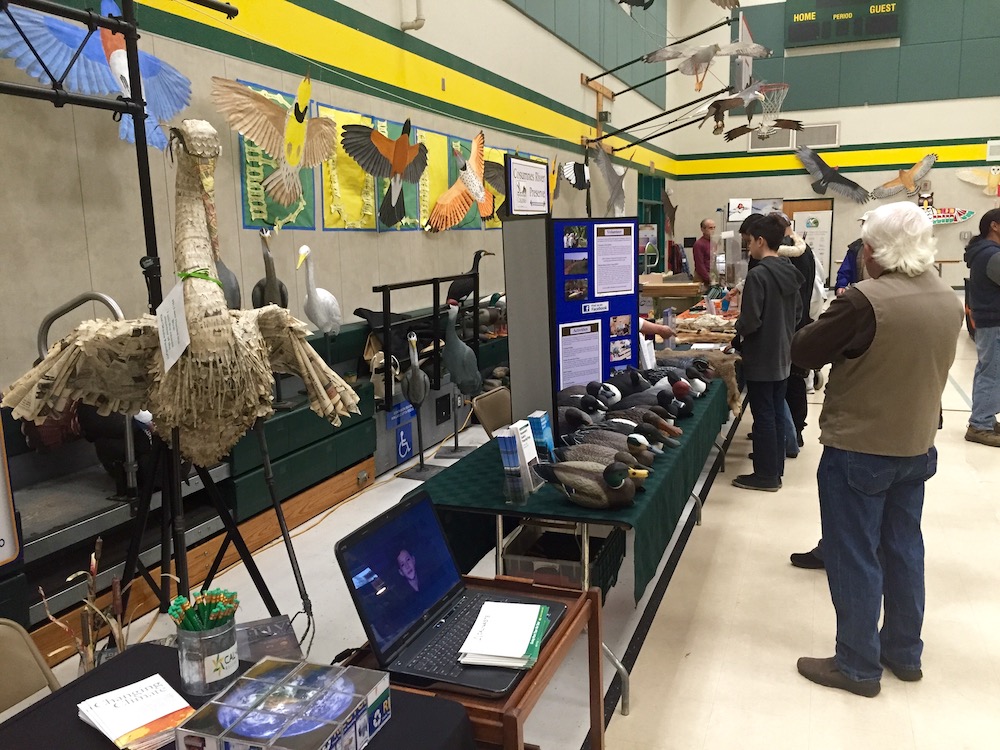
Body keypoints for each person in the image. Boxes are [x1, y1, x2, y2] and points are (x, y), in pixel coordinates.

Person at [791, 201, 962, 697]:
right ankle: (903, 651)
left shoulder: (865, 300)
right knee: (904, 549)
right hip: (916, 446)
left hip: (860, 447)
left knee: (853, 554)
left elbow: (805, 351)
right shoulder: (946, 298)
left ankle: (857, 665)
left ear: (873, 250)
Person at [731, 214, 803, 491]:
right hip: (783, 353)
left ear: (760, 241)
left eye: (749, 242)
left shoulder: (759, 274)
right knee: (773, 413)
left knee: (763, 417)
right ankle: (776, 470)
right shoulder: (788, 269)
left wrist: (737, 332)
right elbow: (797, 314)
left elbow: (750, 321)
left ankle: (765, 475)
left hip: (762, 357)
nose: (749, 247)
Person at [771, 211, 816, 448]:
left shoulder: (791, 254)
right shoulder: (802, 248)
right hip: (798, 322)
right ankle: (787, 430)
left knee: (794, 381)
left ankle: (793, 431)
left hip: (792, 326)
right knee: (792, 380)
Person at [964, 207, 1000, 447]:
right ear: (994, 226)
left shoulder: (985, 252)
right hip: (995, 321)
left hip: (990, 321)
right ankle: (981, 424)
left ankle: (984, 418)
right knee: (992, 372)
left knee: (990, 370)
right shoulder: (991, 254)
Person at [834, 213, 870, 297]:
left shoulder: (886, 247)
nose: (864, 228)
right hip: (859, 292)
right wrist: (841, 286)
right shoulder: (856, 247)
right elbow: (846, 269)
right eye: (863, 225)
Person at [692, 218, 715, 290]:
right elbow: (699, 265)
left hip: (712, 276)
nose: (713, 230)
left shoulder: (713, 243)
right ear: (703, 229)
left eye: (714, 228)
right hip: (702, 279)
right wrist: (709, 279)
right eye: (710, 228)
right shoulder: (699, 244)